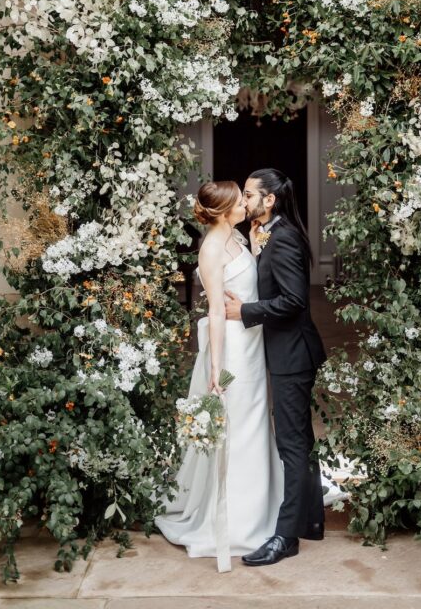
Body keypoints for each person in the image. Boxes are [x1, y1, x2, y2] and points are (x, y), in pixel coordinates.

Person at [154, 180, 284, 571]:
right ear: (225, 210)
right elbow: (213, 310)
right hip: (231, 351)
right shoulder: (211, 249)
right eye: (239, 202)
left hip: (252, 342)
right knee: (236, 426)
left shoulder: (239, 238)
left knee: (257, 421)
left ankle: (264, 503)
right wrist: (215, 368)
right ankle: (242, 521)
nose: (246, 205)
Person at [224, 168, 327, 567]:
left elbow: (295, 301)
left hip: (293, 355)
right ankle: (311, 521)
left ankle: (285, 537)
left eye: (249, 194)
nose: (243, 200)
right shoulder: (268, 232)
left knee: (291, 443)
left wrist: (244, 311)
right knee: (299, 439)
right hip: (287, 353)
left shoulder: (283, 239)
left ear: (270, 200)